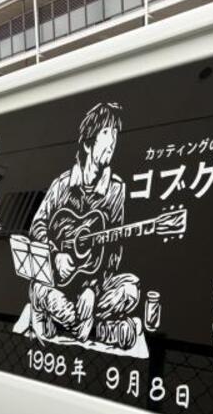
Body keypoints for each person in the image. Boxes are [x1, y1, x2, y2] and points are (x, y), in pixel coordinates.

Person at [27, 102, 140, 349]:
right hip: (59, 282)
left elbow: (114, 251)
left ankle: (70, 323)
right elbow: (38, 225)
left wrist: (93, 289)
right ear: (88, 144)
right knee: (39, 289)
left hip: (93, 282)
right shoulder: (62, 184)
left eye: (115, 134)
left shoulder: (116, 189)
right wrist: (55, 255)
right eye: (106, 133)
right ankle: (101, 330)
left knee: (130, 289)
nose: (113, 141)